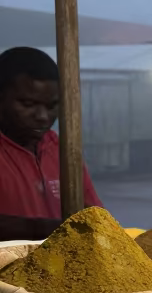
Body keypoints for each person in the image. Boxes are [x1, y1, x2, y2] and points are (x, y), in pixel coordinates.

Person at [0, 47, 101, 240]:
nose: (43, 117)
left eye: (52, 106)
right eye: (28, 104)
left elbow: (94, 213)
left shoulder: (62, 149)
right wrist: (53, 229)